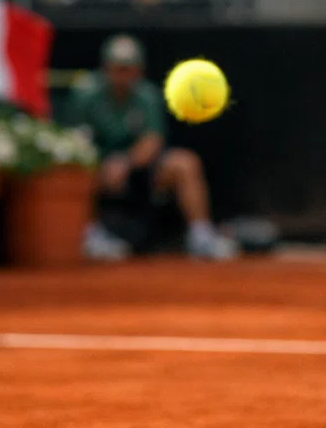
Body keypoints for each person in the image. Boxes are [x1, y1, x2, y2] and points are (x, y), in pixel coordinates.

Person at [67, 35, 237, 262]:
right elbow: (75, 141)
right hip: (98, 168)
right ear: (105, 68)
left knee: (184, 163)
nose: (123, 75)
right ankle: (90, 235)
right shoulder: (85, 94)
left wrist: (125, 163)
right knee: (74, 171)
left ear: (139, 70)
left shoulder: (147, 95)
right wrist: (101, 164)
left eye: (129, 69)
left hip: (139, 171)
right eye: (117, 68)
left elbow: (152, 140)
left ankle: (201, 235)